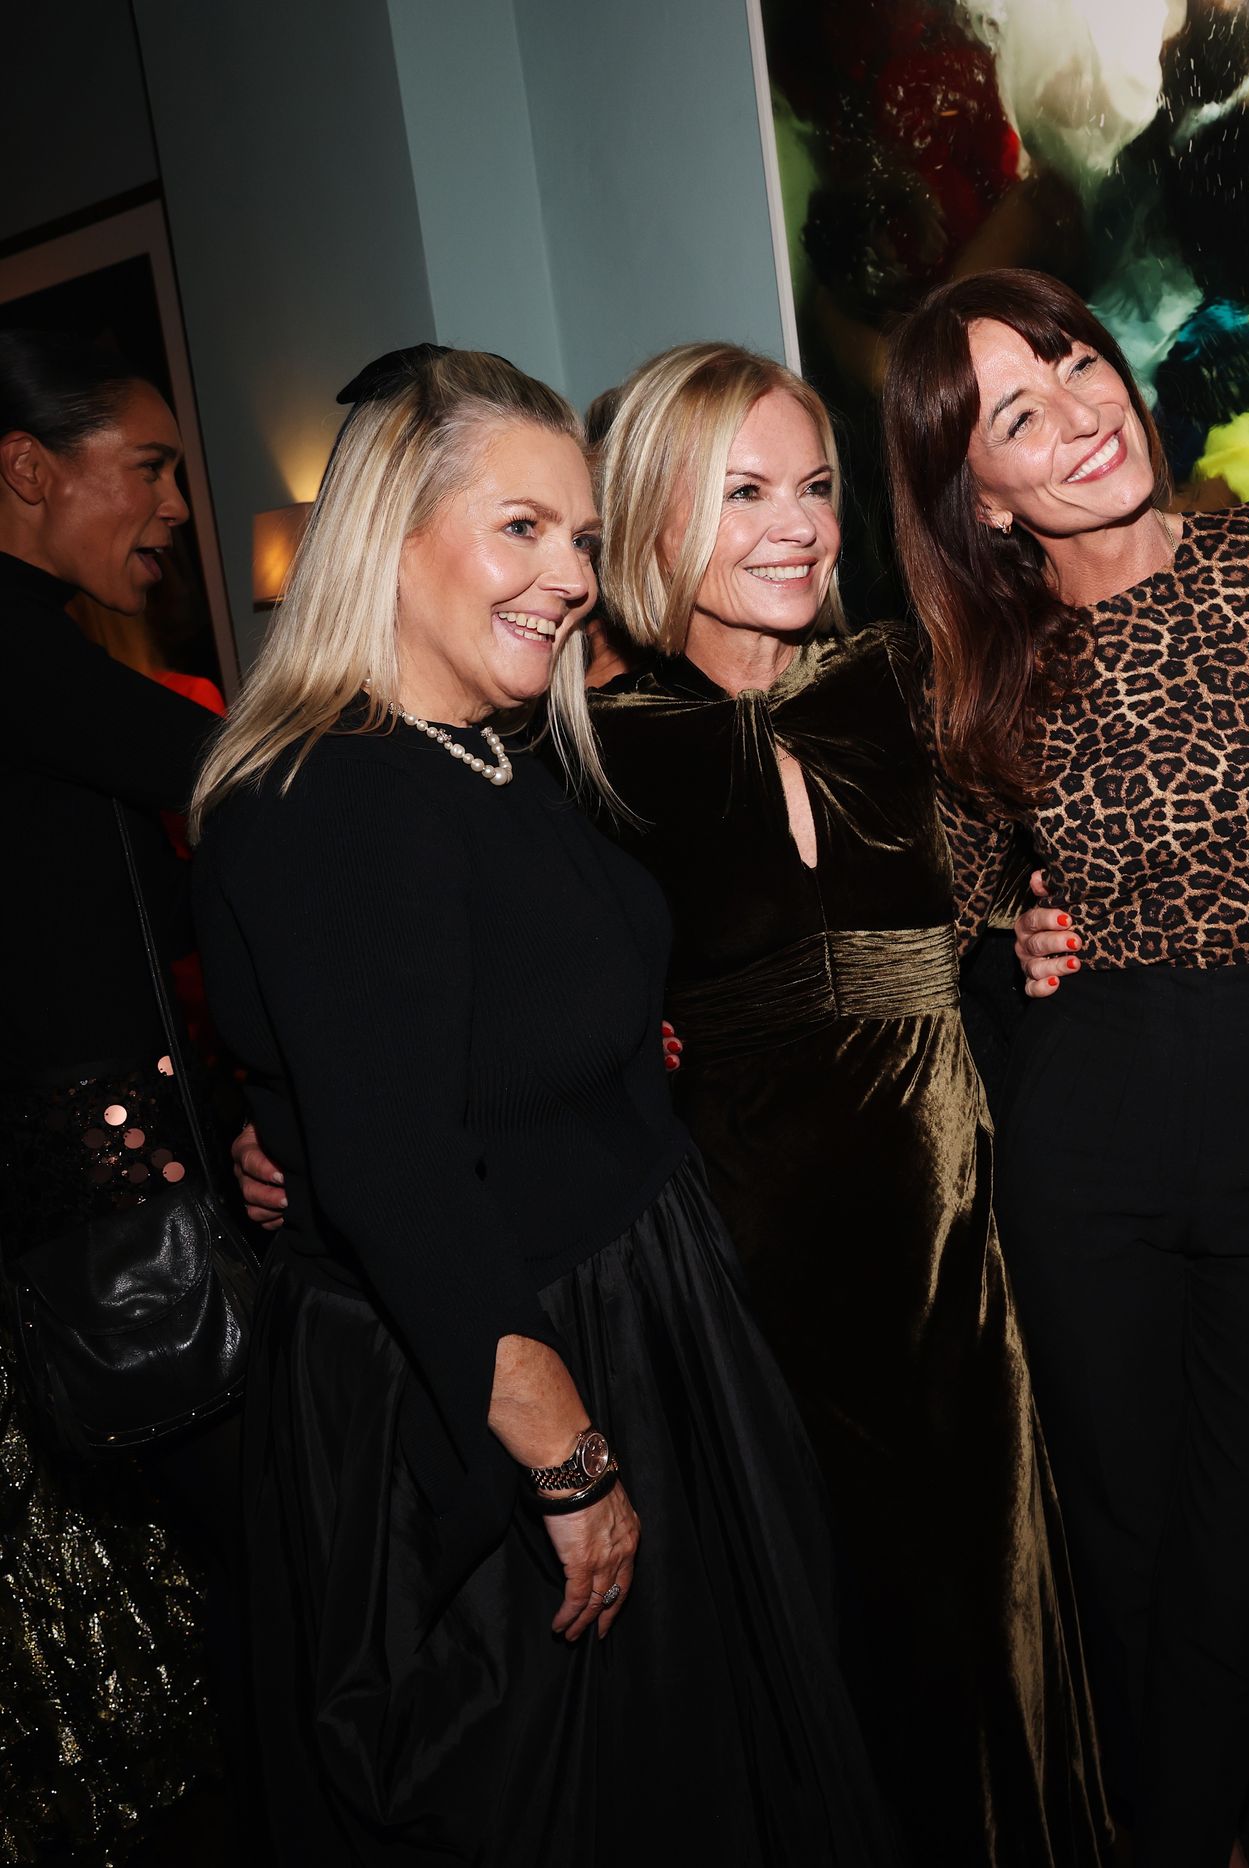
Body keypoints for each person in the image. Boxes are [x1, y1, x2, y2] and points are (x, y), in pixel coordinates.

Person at [187, 345, 891, 1866]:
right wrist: (568, 1464)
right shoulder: (331, 794)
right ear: (392, 531)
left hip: (629, 1305)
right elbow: (396, 1169)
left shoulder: (499, 753)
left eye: (577, 538)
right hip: (498, 1370)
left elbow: (448, 1047)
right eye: (522, 529)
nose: (567, 575)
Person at [884, 268, 1249, 1868]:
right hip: (1087, 1129)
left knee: (1247, 1532)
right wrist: (1009, 954)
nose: (1078, 408)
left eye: (1069, 359)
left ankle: (1164, 1834)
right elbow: (930, 928)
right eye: (1016, 417)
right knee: (1118, 1540)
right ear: (976, 493)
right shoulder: (971, 665)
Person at [563, 341, 1109, 1866]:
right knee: (831, 1607)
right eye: (743, 492)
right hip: (747, 1258)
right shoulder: (591, 753)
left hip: (966, 1215)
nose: (796, 524)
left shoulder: (895, 676)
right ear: (649, 516)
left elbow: (1005, 872)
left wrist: (1015, 942)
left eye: (811, 487)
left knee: (1001, 1573)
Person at [0, 326, 240, 1860]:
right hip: (97, 1214)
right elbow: (221, 763)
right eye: (146, 468)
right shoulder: (16, 650)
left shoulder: (41, 652)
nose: (171, 507)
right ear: (28, 470)